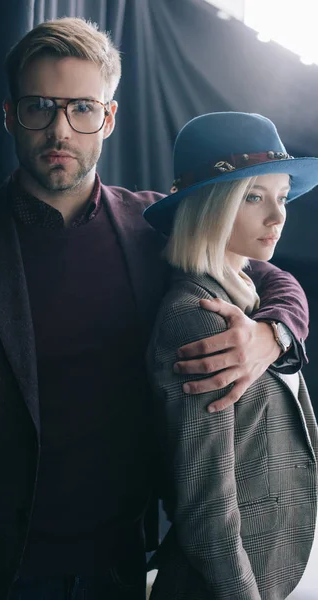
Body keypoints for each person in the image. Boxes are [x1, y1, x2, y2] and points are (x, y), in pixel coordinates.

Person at [0, 18, 310, 600]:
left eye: (81, 108)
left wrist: (273, 335)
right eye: (39, 107)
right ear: (9, 116)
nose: (60, 129)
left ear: (108, 118)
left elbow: (271, 276)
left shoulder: (152, 228)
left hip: (124, 561)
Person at [144, 111, 318, 600]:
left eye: (282, 197)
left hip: (282, 567)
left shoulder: (251, 296)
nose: (278, 216)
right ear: (212, 205)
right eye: (254, 197)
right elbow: (206, 509)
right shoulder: (196, 315)